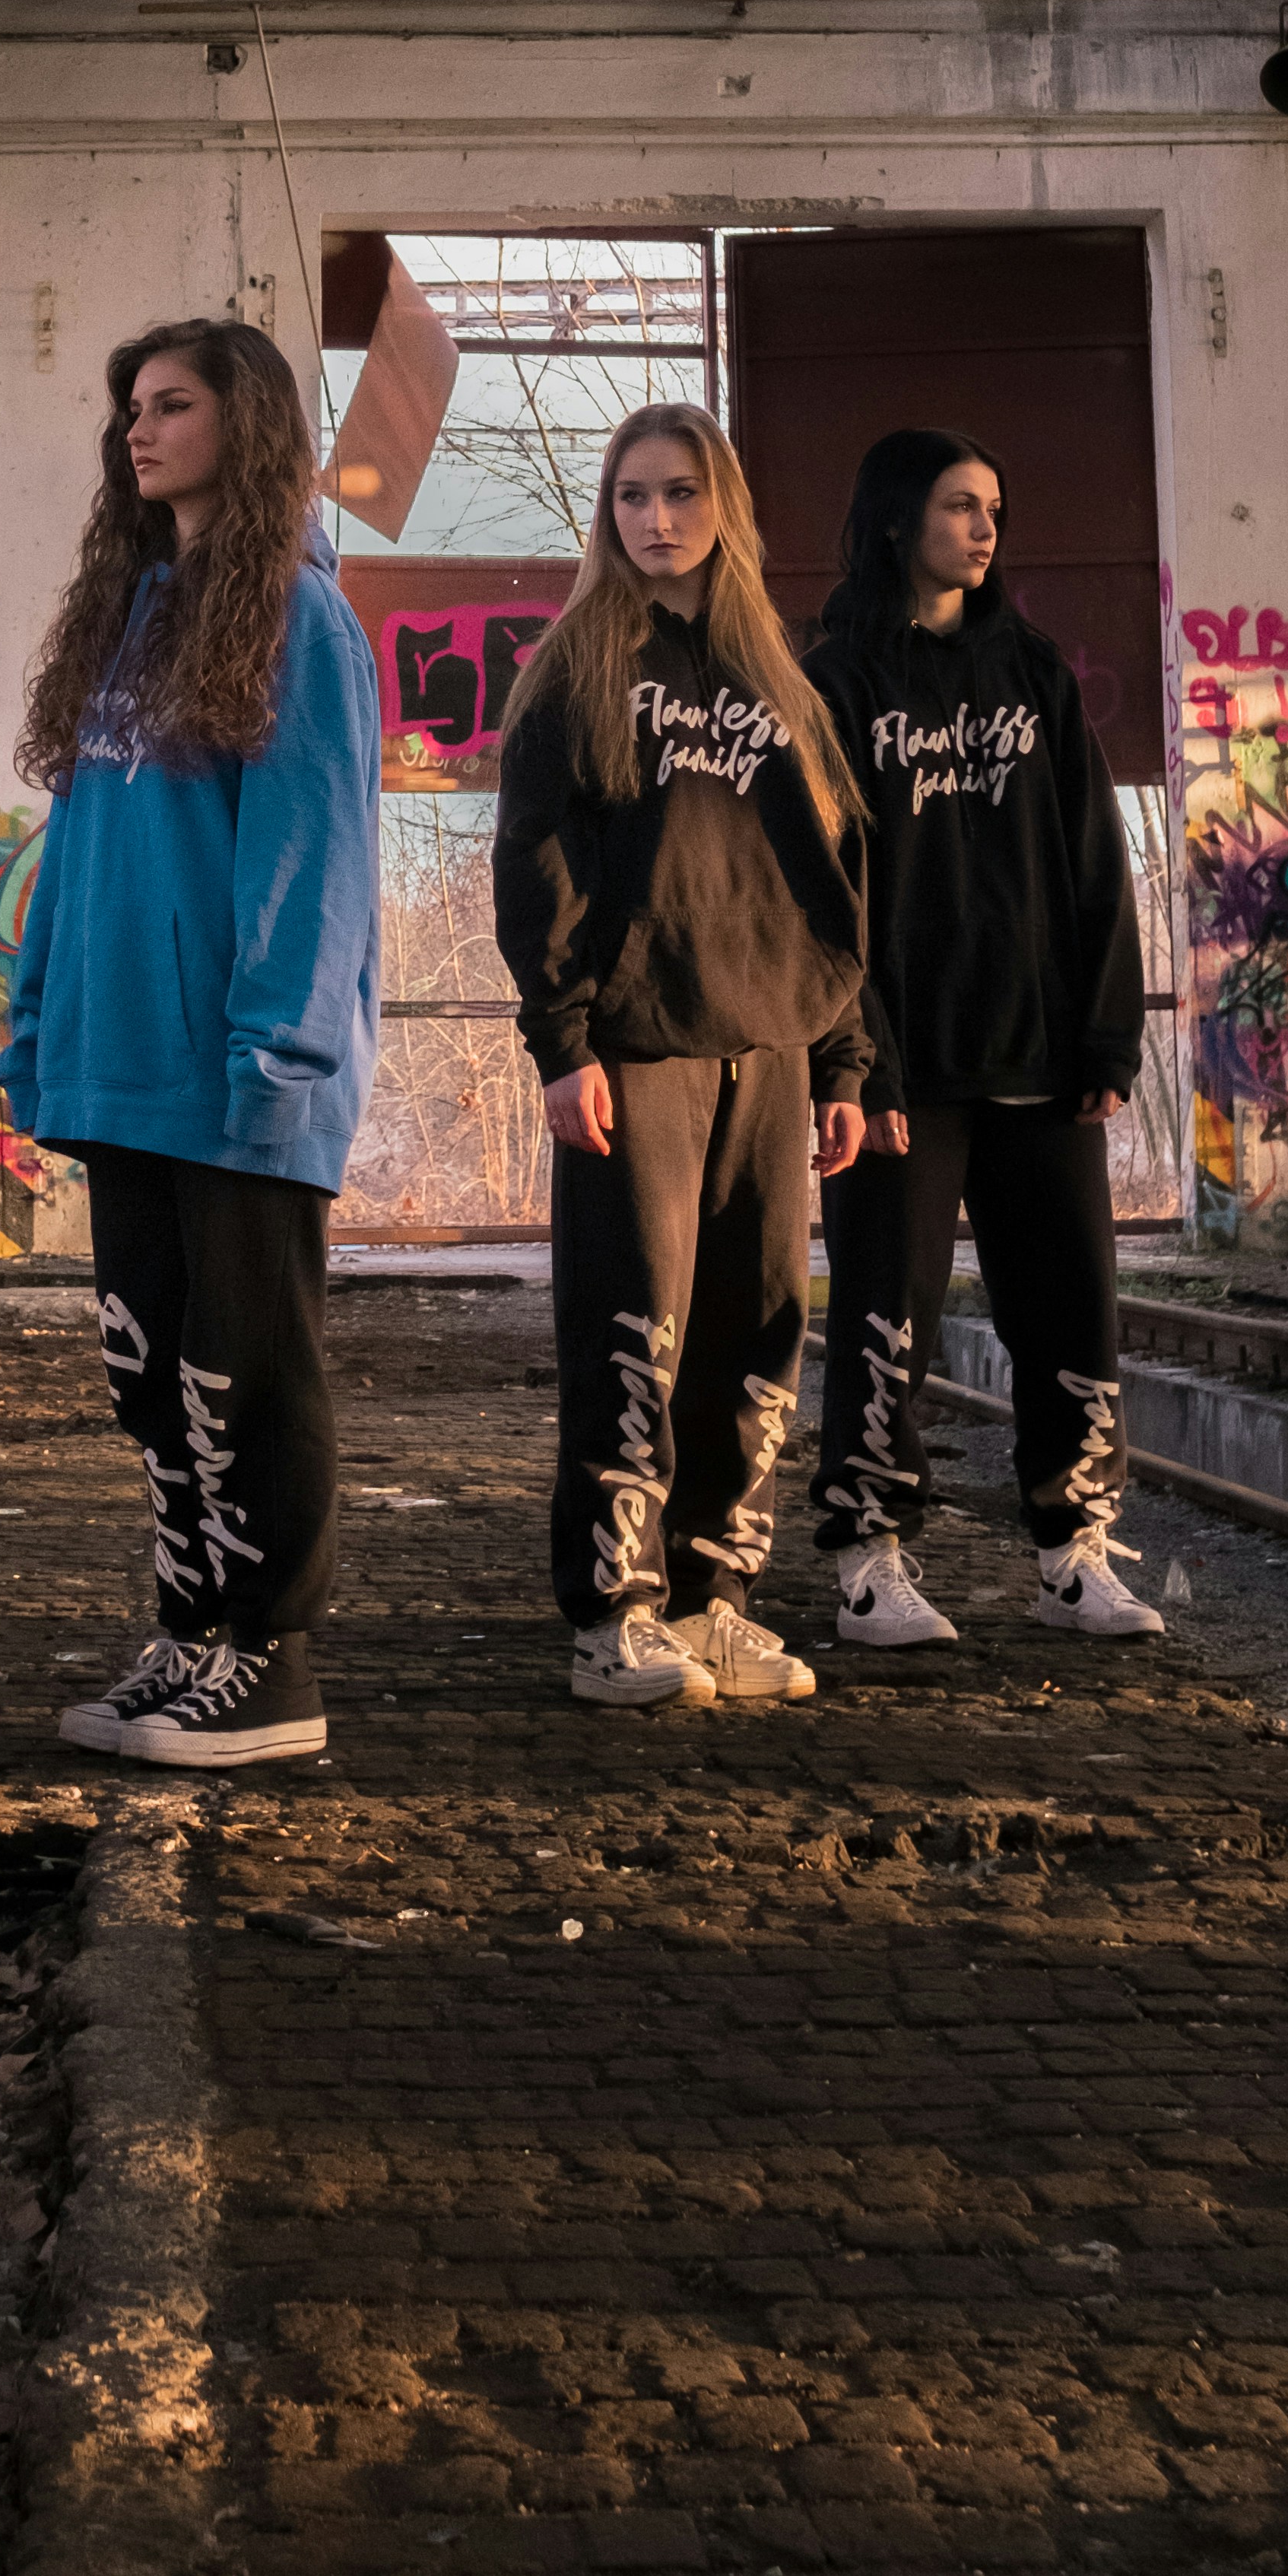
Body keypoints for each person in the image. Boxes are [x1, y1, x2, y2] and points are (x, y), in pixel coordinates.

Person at [0, 316, 382, 1773]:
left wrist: (279, 1059)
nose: (137, 431)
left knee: (246, 1376)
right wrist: (42, 1034)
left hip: (236, 1086)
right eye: (130, 409)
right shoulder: (142, 615)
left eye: (170, 406)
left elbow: (317, 860)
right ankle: (199, 1628)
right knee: (151, 1373)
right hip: (124, 1072)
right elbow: (85, 851)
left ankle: (275, 1667)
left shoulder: (300, 617)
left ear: (249, 425)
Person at [494, 401, 876, 1710]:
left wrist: (841, 1059)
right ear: (608, 515)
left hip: (768, 1052)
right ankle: (617, 1614)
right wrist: (562, 1042)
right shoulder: (576, 666)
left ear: (725, 507)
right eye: (632, 498)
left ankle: (717, 1602)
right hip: (636, 1050)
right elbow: (533, 862)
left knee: (757, 1336)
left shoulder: (781, 675)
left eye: (680, 495)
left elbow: (832, 877)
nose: (656, 521)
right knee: (630, 1336)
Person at [805, 427, 1160, 1647]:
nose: (985, 528)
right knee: (882, 1318)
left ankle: (1073, 1553)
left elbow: (1094, 861)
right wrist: (856, 1059)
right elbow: (822, 890)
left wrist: (1106, 1038)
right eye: (961, 506)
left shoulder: (1034, 670)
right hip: (905, 1074)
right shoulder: (837, 676)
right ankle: (868, 1559)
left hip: (1040, 1066)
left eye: (994, 508)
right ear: (902, 518)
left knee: (1072, 1318)